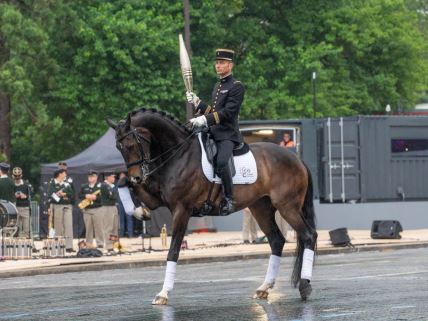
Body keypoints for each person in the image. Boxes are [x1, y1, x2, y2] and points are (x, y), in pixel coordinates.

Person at [186, 48, 245, 214]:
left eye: (222, 63)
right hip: (213, 132)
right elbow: (214, 111)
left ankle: (229, 199)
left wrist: (204, 119)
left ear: (230, 65)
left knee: (221, 161)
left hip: (228, 134)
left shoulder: (236, 86)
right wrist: (198, 103)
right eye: (217, 63)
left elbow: (227, 113)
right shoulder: (218, 86)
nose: (218, 66)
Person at [48, 168, 74, 252]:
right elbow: (51, 195)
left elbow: (71, 194)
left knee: (68, 225)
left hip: (67, 205)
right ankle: (59, 245)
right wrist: (59, 195)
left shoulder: (66, 184)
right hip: (57, 206)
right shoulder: (52, 183)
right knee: (58, 226)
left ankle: (69, 246)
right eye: (64, 173)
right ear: (60, 174)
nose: (65, 174)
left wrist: (64, 194)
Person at [79, 170, 103, 248]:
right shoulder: (84, 186)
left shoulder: (100, 186)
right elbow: (79, 195)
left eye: (92, 176)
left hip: (97, 208)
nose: (90, 178)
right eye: (89, 176)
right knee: (88, 227)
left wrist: (96, 197)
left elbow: (104, 197)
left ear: (96, 177)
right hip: (87, 210)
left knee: (98, 226)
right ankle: (89, 243)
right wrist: (86, 196)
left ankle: (100, 243)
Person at [101, 171, 119, 253]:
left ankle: (115, 245)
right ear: (108, 177)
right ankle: (109, 246)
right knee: (108, 227)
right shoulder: (104, 185)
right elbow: (112, 196)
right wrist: (114, 195)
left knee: (115, 227)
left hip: (113, 206)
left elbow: (115, 196)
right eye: (112, 177)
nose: (114, 178)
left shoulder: (112, 186)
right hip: (107, 207)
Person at [13, 167, 33, 238]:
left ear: (21, 175)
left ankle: (31, 246)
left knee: (27, 229)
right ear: (13, 176)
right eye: (16, 176)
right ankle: (14, 247)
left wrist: (25, 196)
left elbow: (31, 193)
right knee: (14, 229)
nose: (17, 177)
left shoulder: (26, 184)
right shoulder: (12, 184)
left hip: (25, 207)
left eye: (19, 175)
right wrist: (14, 195)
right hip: (15, 208)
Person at [117, 171, 134, 238]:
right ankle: (121, 234)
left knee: (129, 219)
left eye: (123, 175)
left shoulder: (128, 184)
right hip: (120, 204)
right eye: (121, 176)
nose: (122, 177)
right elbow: (115, 193)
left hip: (128, 203)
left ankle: (130, 234)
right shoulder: (117, 184)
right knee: (121, 220)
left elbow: (132, 193)